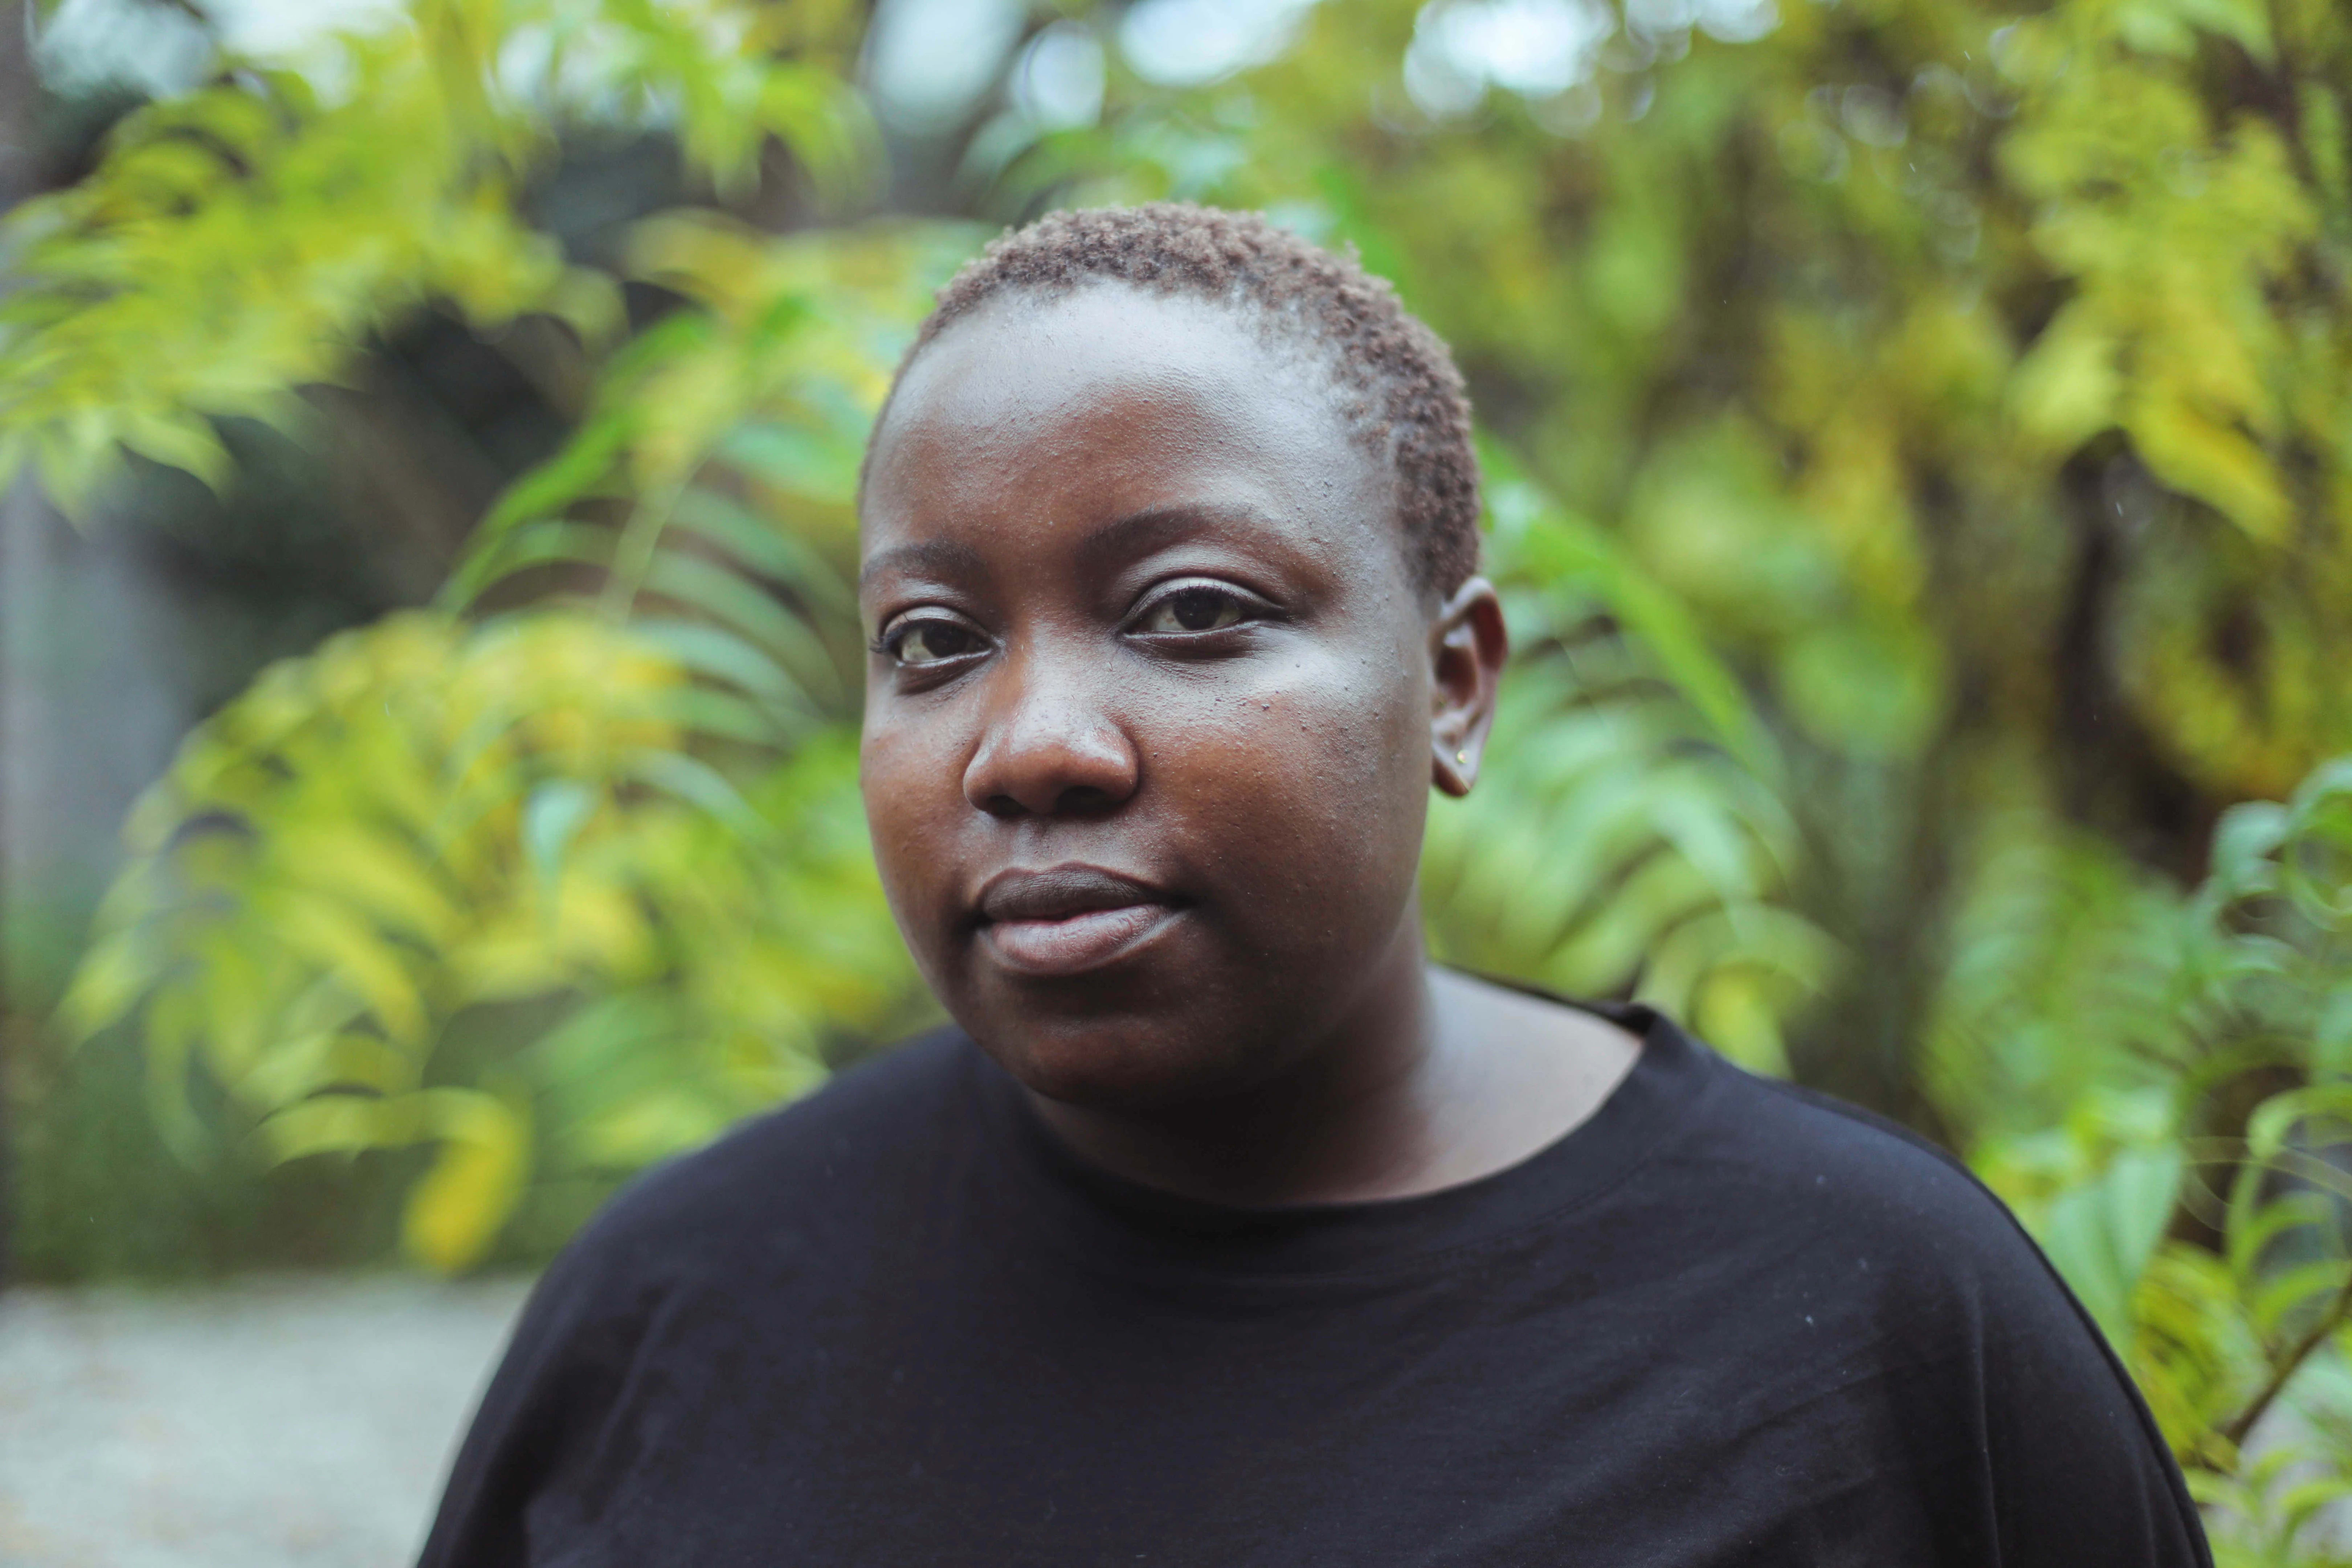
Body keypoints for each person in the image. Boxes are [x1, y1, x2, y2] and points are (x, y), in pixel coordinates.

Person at [419, 204, 2210, 1566]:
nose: (1031, 744)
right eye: (934, 640)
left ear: (1452, 685)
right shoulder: (677, 1318)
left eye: (1191, 612)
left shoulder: (1869, 1329)